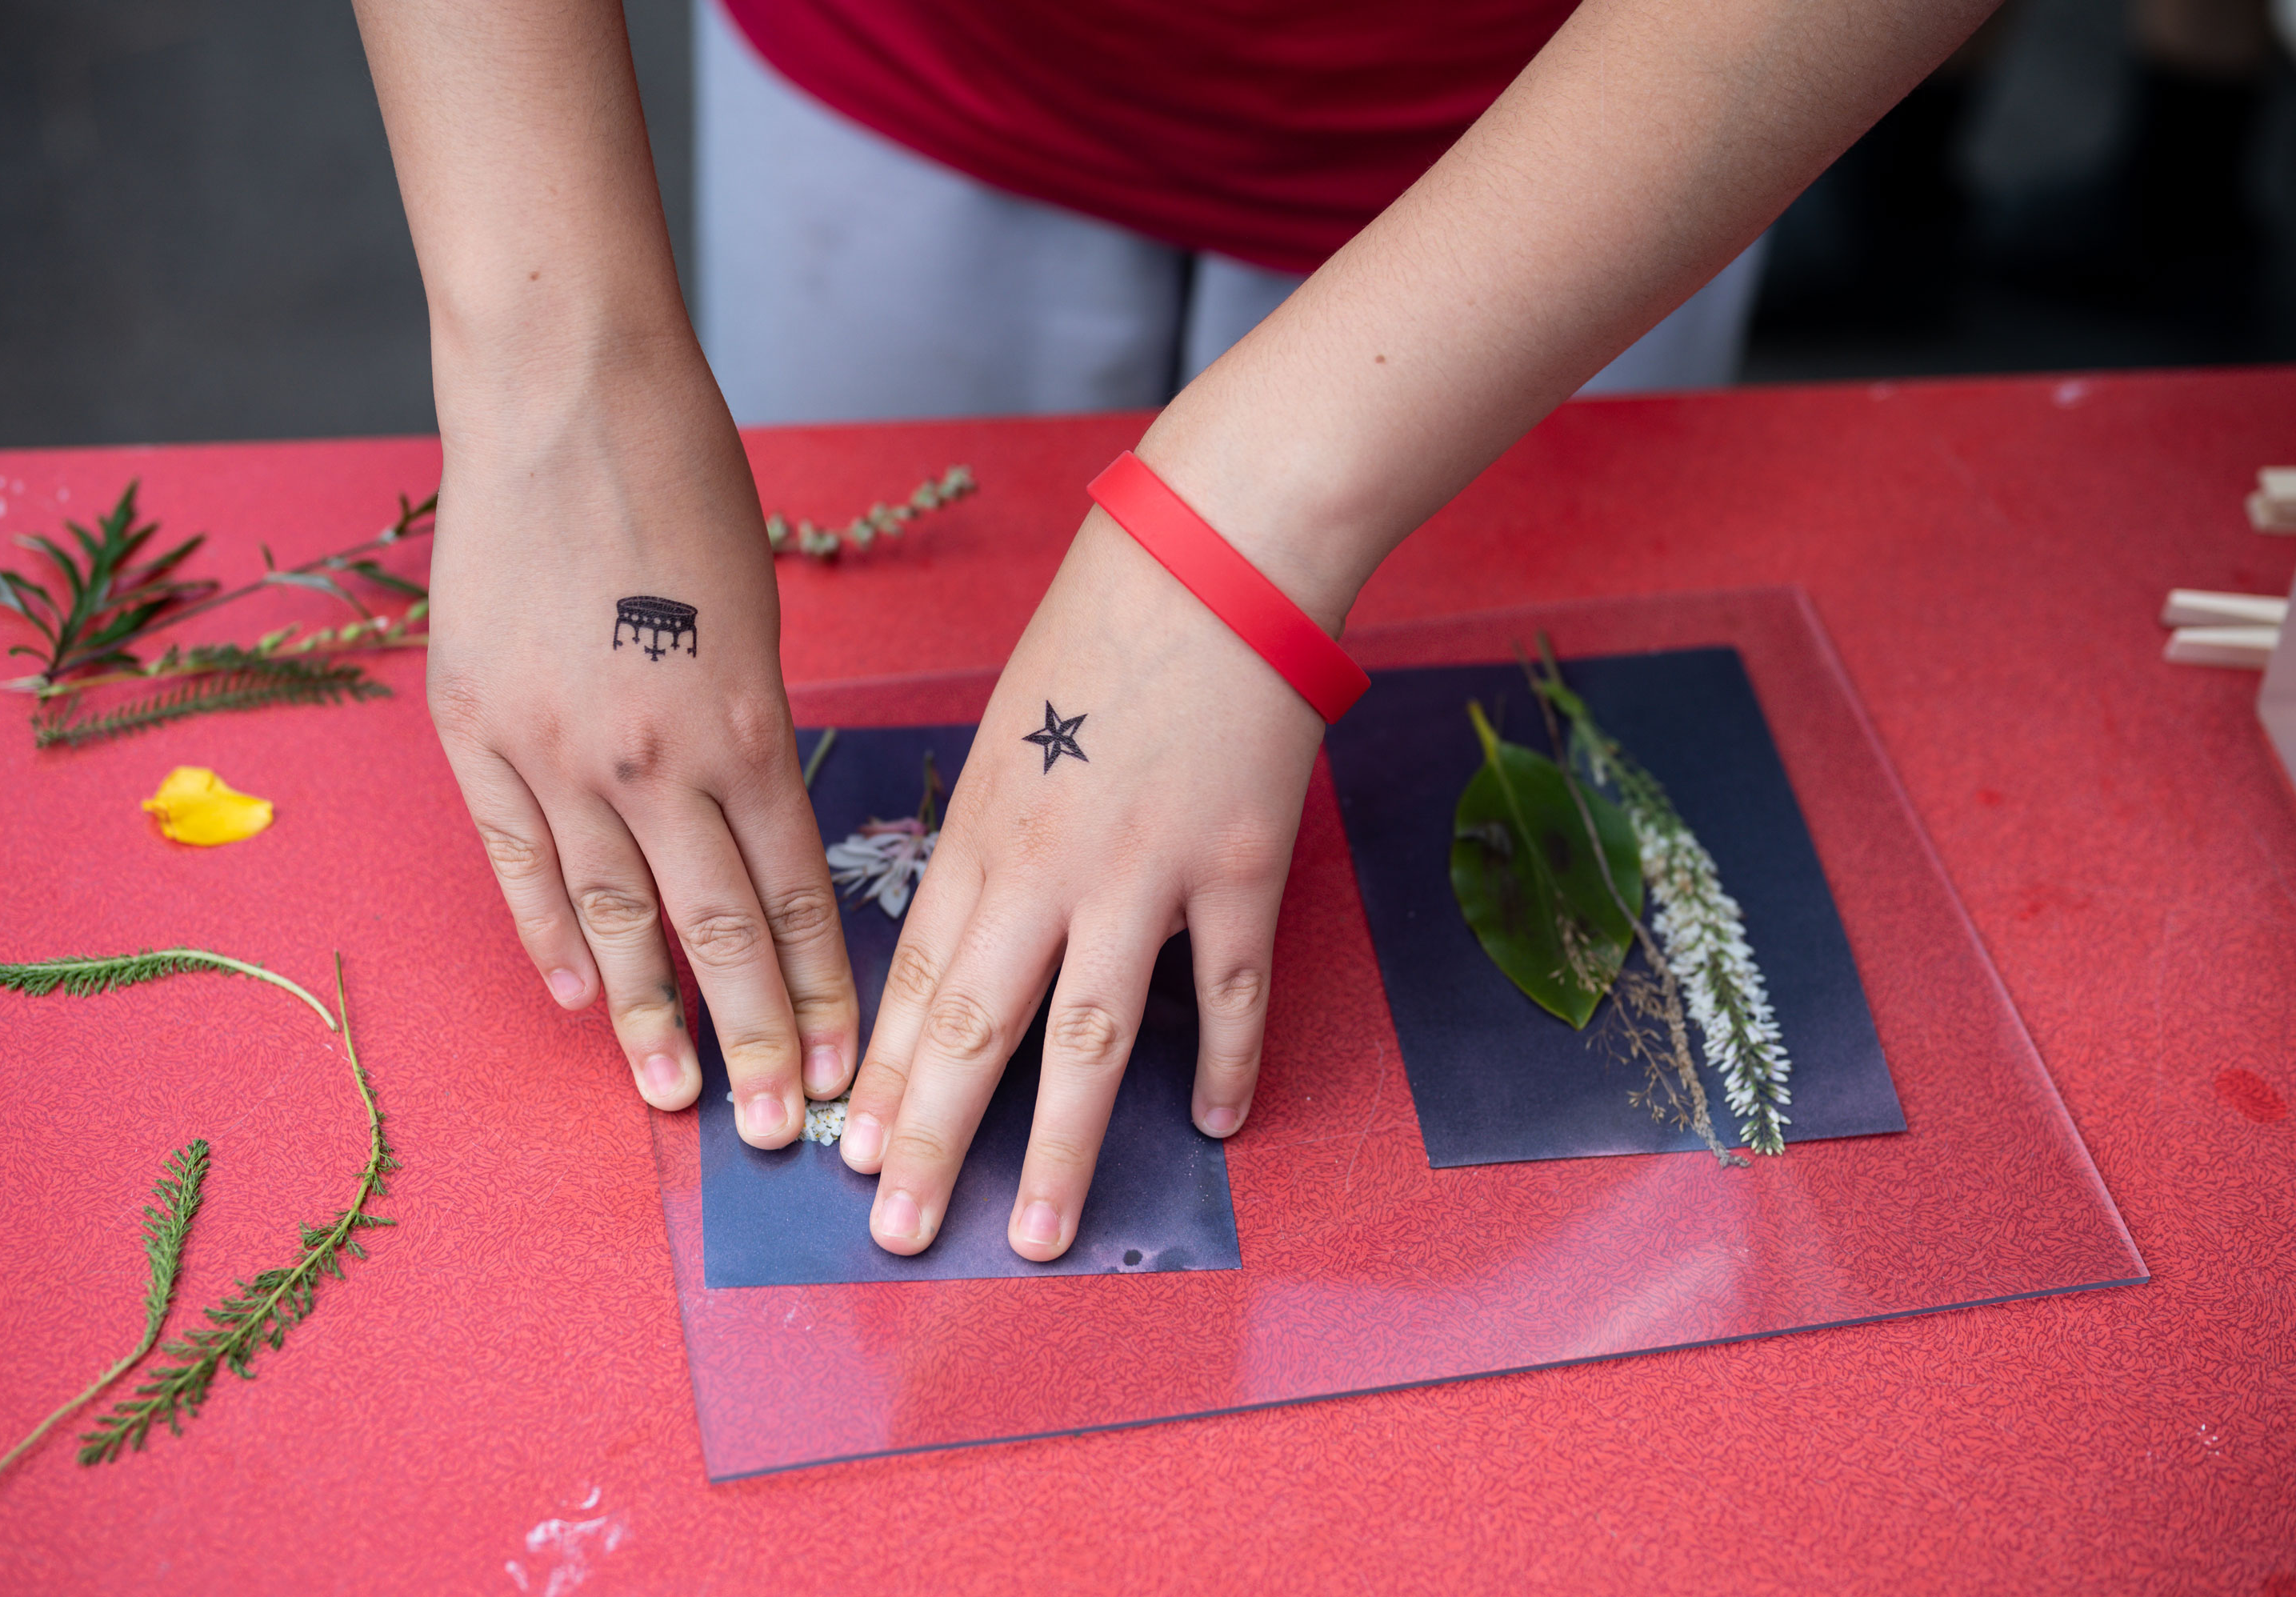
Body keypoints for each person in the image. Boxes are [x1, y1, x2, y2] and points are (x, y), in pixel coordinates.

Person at [353, 0, 1996, 1265]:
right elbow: (560, 372)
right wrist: (547, 358)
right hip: (902, 76)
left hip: (1603, 139)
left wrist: (1258, 525)